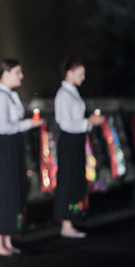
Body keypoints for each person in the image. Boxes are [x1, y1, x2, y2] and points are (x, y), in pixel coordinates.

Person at [0, 58, 41, 257]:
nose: (21, 76)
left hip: (12, 144)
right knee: (1, 191)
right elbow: (4, 127)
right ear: (5, 73)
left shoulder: (10, 95)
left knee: (12, 189)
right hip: (2, 146)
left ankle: (6, 239)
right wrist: (28, 125)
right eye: (17, 72)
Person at [54, 60, 104, 238]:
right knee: (68, 179)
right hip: (69, 140)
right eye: (80, 73)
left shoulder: (72, 92)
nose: (83, 77)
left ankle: (71, 220)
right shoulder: (63, 94)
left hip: (77, 139)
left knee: (76, 179)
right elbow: (65, 122)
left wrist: (88, 123)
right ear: (70, 73)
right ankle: (66, 224)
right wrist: (88, 122)